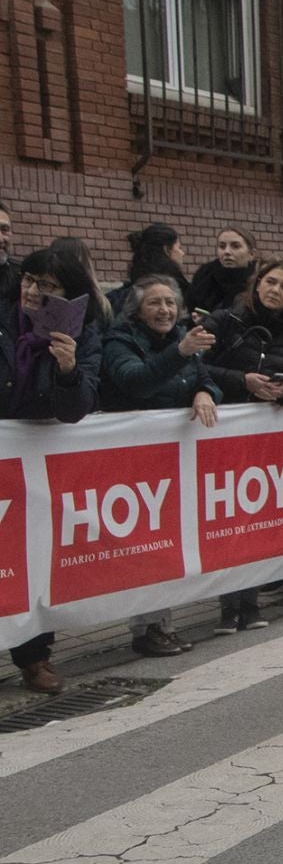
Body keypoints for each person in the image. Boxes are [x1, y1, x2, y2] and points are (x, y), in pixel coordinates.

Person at [2, 247, 107, 694]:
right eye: (28, 280)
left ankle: (34, 657)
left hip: (36, 462)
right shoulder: (5, 320)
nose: (32, 291)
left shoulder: (83, 334)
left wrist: (67, 368)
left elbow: (77, 408)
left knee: (31, 557)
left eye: (46, 286)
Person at [101, 273, 220, 656]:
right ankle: (145, 628)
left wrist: (204, 391)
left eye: (170, 302)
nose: (165, 310)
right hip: (133, 460)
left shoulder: (181, 337)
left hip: (173, 461)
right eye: (155, 303)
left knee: (167, 541)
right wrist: (181, 353)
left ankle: (162, 624)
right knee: (143, 546)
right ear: (137, 310)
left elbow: (207, 379)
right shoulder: (120, 340)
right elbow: (136, 382)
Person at [202, 258, 283, 633]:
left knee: (254, 515)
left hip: (266, 439)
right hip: (221, 430)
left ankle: (250, 602)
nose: (275, 291)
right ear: (257, 285)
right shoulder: (226, 320)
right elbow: (197, 366)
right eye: (270, 282)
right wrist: (243, 381)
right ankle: (227, 606)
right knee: (224, 518)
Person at [109, 223, 191, 316]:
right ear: (167, 250)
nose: (182, 253)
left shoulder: (122, 294)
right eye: (179, 247)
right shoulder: (178, 287)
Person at [187, 227, 258, 316]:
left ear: (252, 254)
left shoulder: (260, 281)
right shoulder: (204, 278)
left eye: (235, 246)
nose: (227, 252)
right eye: (222, 246)